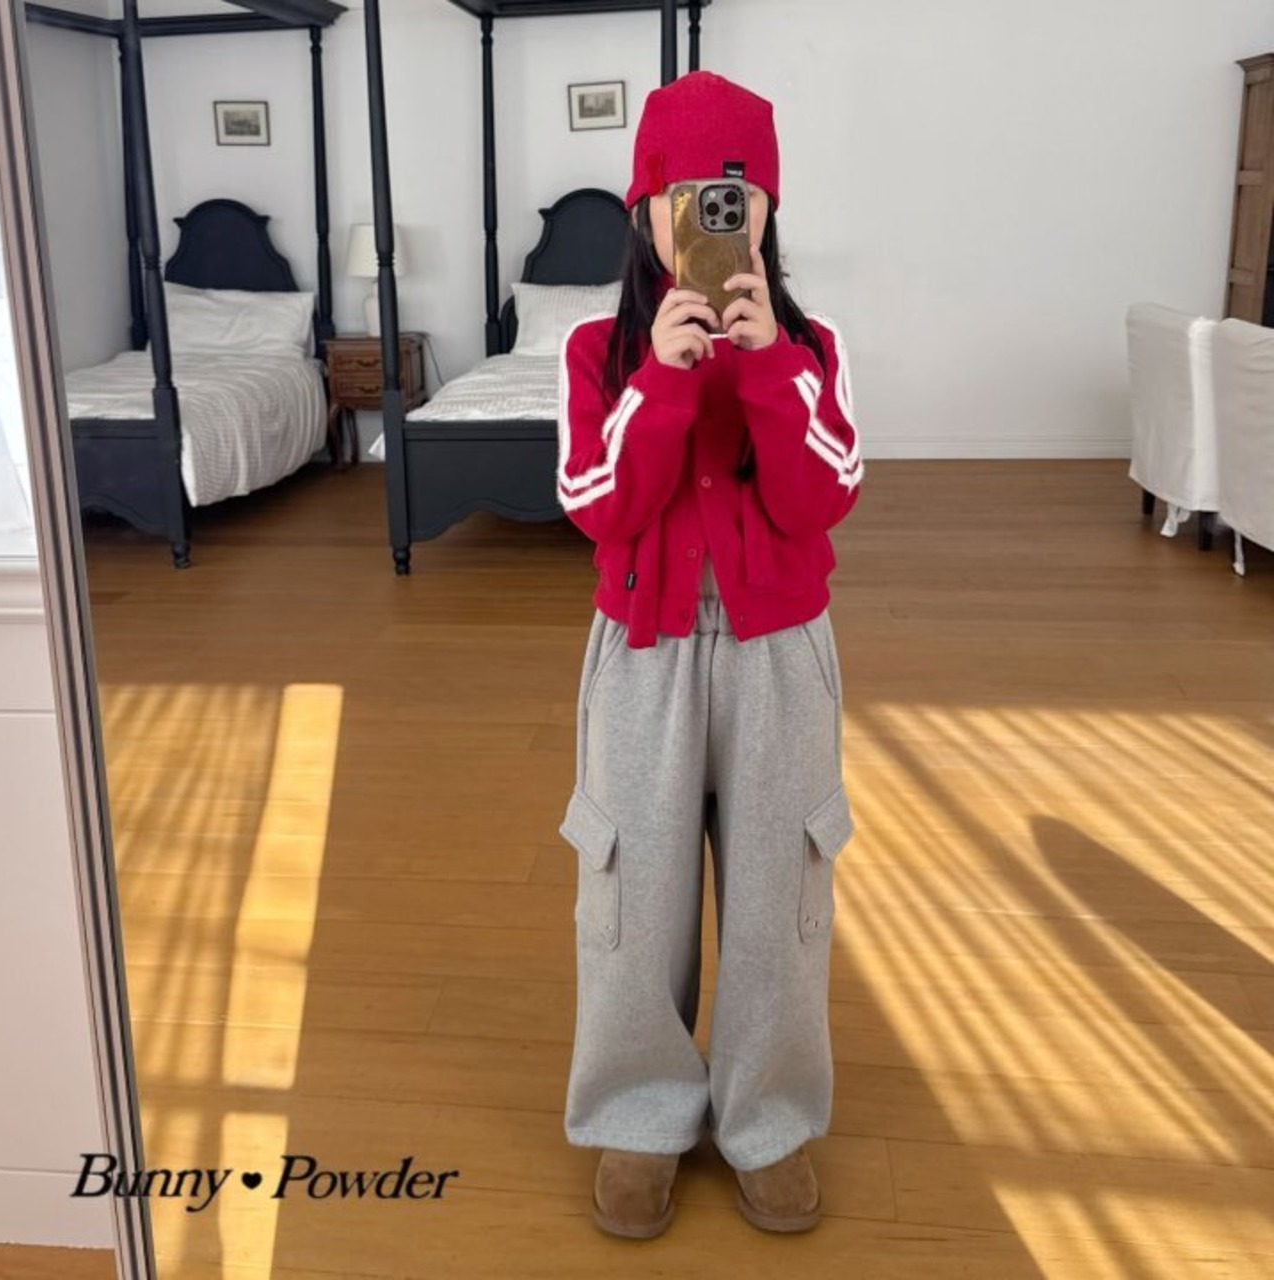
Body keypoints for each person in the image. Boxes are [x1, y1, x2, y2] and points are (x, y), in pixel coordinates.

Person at [555, 69, 864, 1240]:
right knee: (630, 891)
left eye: (734, 198)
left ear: (768, 211)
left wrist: (770, 365)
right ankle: (637, 1115)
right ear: (644, 213)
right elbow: (597, 503)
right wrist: (661, 381)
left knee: (781, 892)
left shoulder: (812, 346)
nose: (708, 220)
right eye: (682, 199)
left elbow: (823, 496)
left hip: (780, 654)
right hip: (642, 658)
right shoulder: (596, 350)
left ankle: (768, 1117)